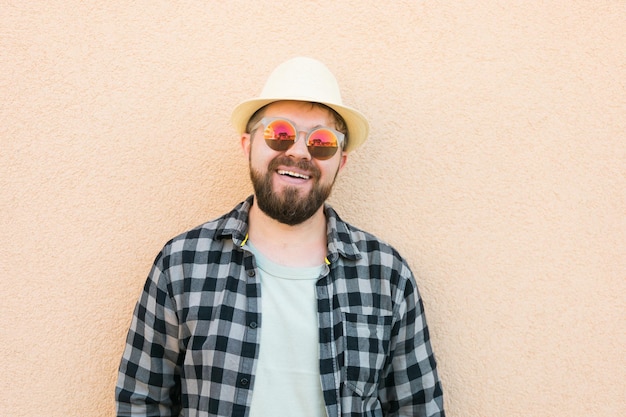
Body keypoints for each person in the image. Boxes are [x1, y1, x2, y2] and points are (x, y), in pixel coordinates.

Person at [115, 57, 445, 417]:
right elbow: (140, 399)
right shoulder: (182, 263)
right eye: (280, 134)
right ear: (248, 145)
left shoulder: (386, 274)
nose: (299, 152)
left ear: (342, 162)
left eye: (321, 142)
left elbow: (418, 407)